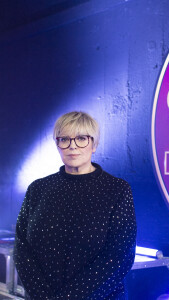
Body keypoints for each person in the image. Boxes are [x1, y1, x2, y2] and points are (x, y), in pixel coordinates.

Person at [13, 111, 137, 300]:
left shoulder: (117, 190)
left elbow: (119, 257)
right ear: (57, 144)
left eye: (81, 138)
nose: (72, 146)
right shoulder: (38, 188)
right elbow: (22, 248)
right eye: (64, 139)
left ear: (94, 144)